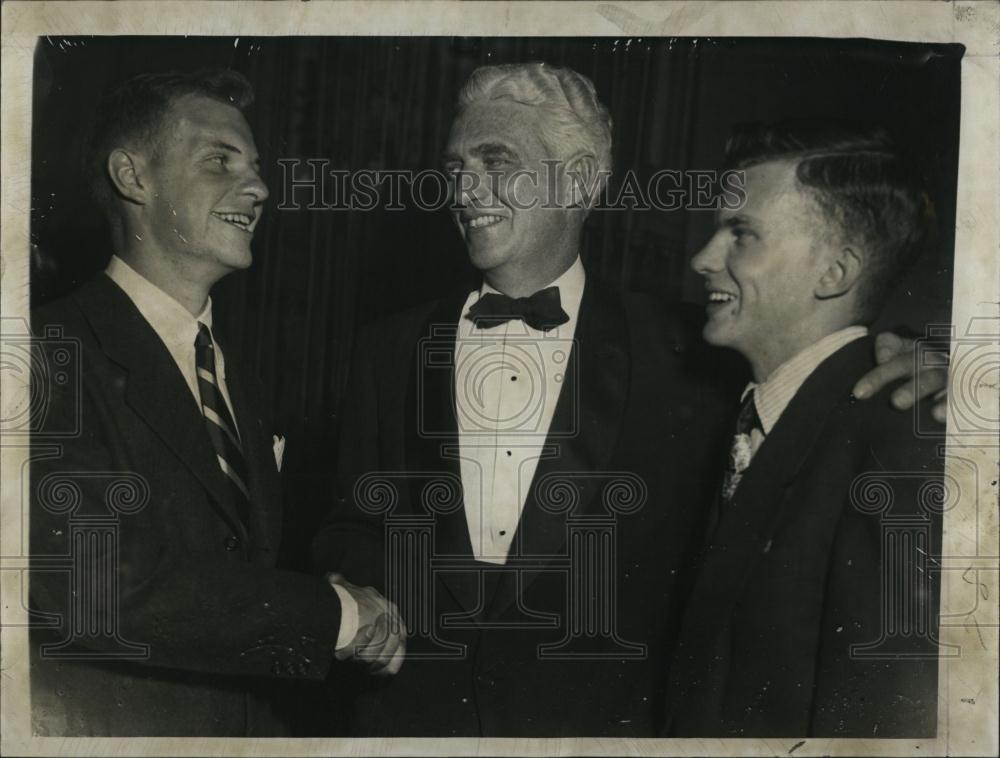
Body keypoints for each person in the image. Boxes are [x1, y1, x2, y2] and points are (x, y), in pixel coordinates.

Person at [311, 64, 943, 737]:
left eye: (496, 160)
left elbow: (818, 354)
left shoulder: (696, 351)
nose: (465, 188)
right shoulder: (388, 348)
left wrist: (928, 357)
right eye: (456, 164)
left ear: (580, 179)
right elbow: (345, 526)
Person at [29, 69, 404, 737]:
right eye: (219, 161)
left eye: (256, 167)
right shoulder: (46, 350)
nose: (258, 188)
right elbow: (95, 584)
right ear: (133, 177)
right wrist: (339, 616)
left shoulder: (239, 376)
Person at [663, 121, 944, 737]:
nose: (703, 259)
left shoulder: (899, 438)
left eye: (742, 235)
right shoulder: (756, 412)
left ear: (834, 272)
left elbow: (882, 721)